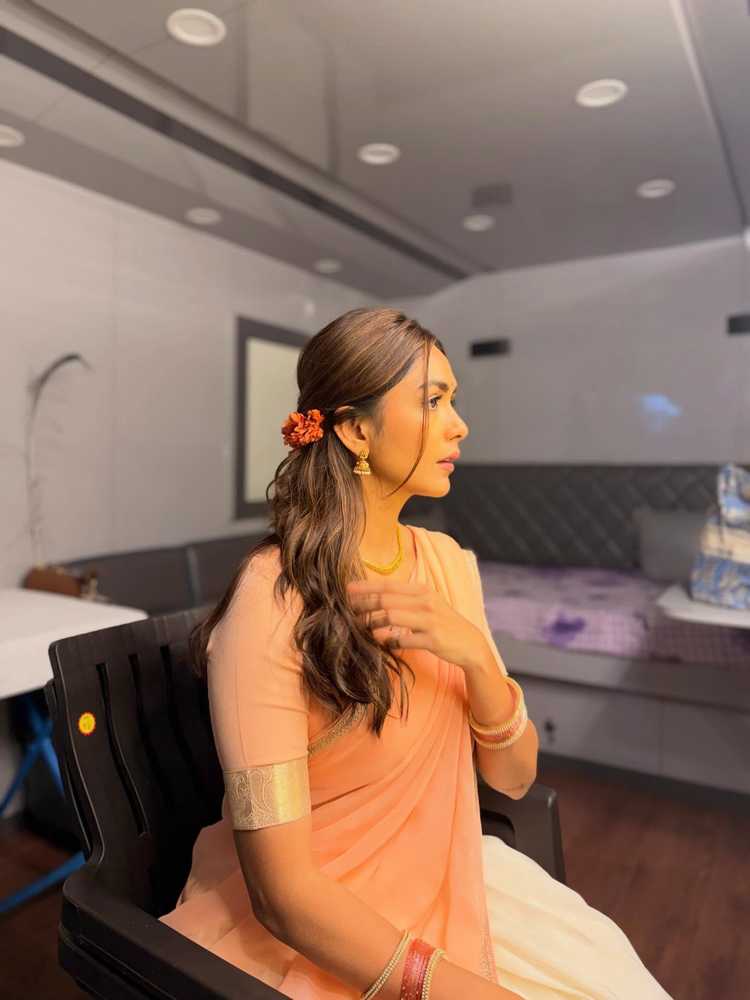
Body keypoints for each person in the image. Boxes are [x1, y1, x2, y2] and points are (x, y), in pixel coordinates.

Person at [159, 308, 674, 999]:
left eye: (452, 400)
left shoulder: (448, 565)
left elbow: (514, 779)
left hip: (446, 872)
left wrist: (476, 657)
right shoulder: (272, 598)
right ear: (355, 430)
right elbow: (283, 897)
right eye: (433, 401)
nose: (459, 425)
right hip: (322, 932)